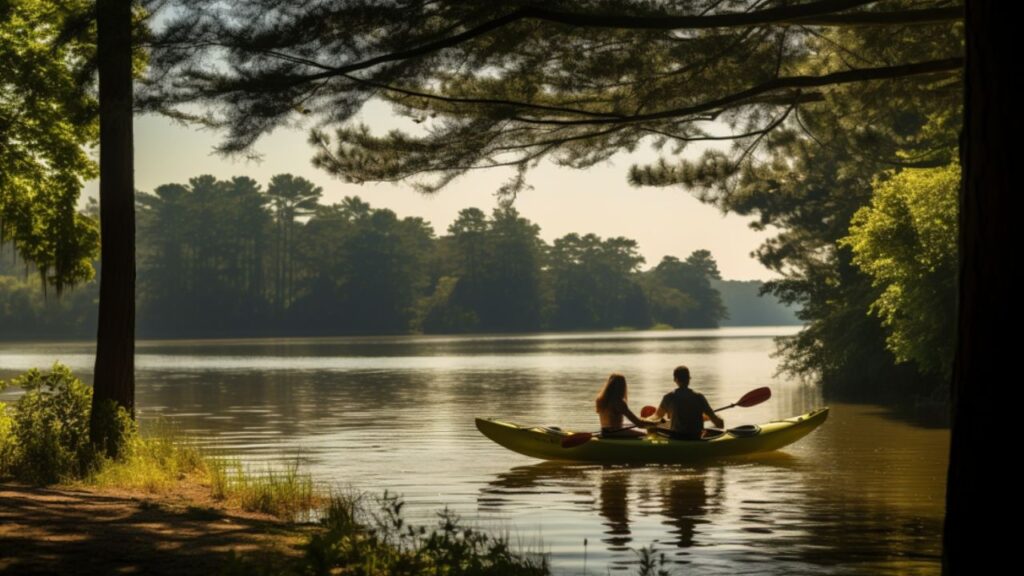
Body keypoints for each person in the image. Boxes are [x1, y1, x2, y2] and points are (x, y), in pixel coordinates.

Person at [653, 365, 724, 440]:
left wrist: (643, 420)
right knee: (717, 421)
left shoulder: (668, 397)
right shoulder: (699, 397)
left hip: (676, 438)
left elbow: (656, 417)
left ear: (675, 379)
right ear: (689, 379)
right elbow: (718, 422)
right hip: (695, 438)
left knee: (661, 426)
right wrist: (719, 420)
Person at [595, 373, 654, 438]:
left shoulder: (600, 399)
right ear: (622, 386)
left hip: (604, 432)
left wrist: (644, 420)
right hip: (614, 433)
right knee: (645, 434)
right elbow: (638, 423)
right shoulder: (618, 402)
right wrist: (654, 423)